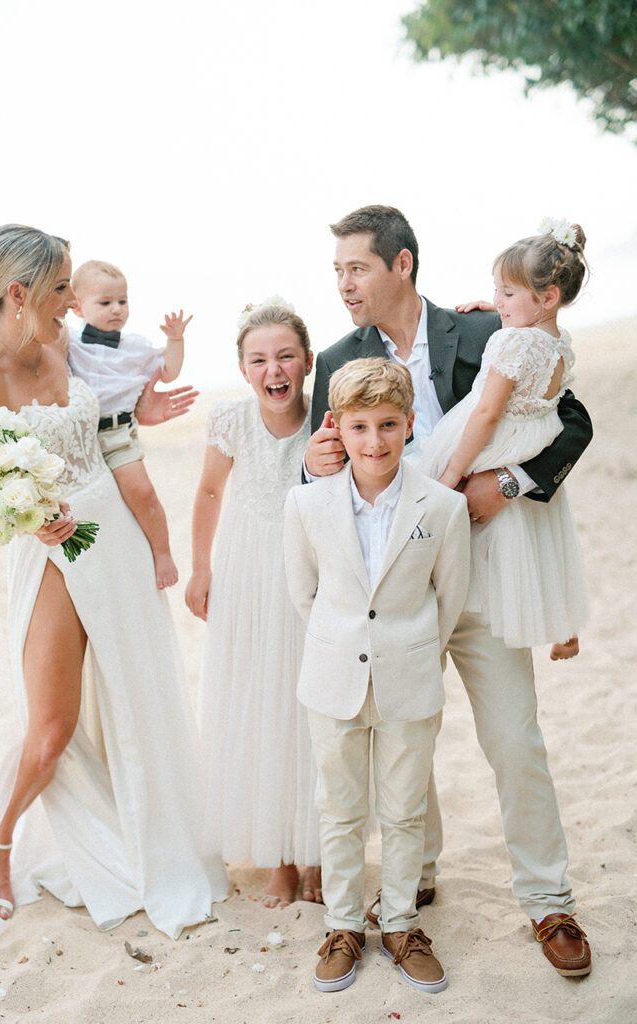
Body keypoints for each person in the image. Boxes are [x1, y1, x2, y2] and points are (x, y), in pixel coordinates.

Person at [0, 224, 226, 956]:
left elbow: (106, 425)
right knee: (53, 726)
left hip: (115, 535)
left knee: (139, 690)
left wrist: (143, 413)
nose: (74, 299)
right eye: (62, 286)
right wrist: (36, 523)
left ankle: (151, 835)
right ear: (20, 293)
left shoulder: (66, 343)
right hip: (53, 554)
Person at [305, 205, 592, 977]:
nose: (343, 285)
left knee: (514, 736)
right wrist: (315, 461)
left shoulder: (484, 331)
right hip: (393, 588)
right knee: (400, 736)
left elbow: (573, 423)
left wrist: (509, 482)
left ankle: (548, 899)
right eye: (336, 271)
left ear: (401, 265)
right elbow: (320, 471)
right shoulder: (335, 357)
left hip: (490, 567)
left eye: (356, 268)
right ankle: (416, 876)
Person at [285, 358, 470, 993]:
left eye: (389, 425)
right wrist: (347, 643)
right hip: (333, 676)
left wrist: (408, 647)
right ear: (336, 425)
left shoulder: (441, 506)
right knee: (337, 808)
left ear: (410, 423)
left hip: (409, 675)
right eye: (359, 427)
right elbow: (304, 594)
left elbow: (449, 598)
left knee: (403, 809)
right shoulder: (306, 503)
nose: (375, 442)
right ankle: (342, 926)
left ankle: (400, 923)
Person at [185, 299, 321, 909]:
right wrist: (200, 568)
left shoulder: (327, 416)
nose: (274, 369)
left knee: (306, 706)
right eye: (259, 359)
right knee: (258, 702)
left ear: (308, 361)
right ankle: (280, 862)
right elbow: (211, 490)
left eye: (286, 355)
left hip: (308, 569)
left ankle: (313, 851)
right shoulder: (231, 420)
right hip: (245, 570)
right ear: (243, 369)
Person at [414, 221, 589, 656]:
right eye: (496, 291)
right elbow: (534, 356)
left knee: (445, 506)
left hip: (493, 440)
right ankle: (563, 625)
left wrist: (455, 469)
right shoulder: (560, 342)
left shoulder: (511, 343)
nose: (496, 301)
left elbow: (488, 411)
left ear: (547, 298)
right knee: (539, 538)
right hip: (532, 438)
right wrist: (503, 316)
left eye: (506, 294)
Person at [67, 259, 192, 589]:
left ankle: (162, 552)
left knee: (142, 493)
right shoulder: (70, 343)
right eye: (105, 303)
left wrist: (176, 339)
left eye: (122, 301)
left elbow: (170, 370)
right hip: (79, 439)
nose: (116, 309)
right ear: (77, 308)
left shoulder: (135, 346)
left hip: (119, 435)